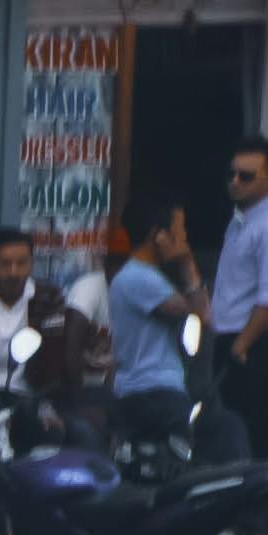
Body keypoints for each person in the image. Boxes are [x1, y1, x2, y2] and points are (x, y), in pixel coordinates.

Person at [0, 223, 92, 423]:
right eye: (5, 264)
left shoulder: (48, 297)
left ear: (32, 263)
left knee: (72, 435)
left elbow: (52, 356)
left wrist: (38, 404)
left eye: (21, 263)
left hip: (34, 395)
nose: (13, 272)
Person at [212, 137, 268, 458]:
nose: (235, 182)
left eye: (245, 176)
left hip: (253, 344)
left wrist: (241, 345)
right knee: (232, 430)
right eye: (232, 174)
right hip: (231, 340)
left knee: (255, 430)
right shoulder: (239, 224)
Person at [107, 195, 207, 457]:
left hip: (145, 391)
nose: (184, 239)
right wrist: (187, 263)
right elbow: (201, 314)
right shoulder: (139, 278)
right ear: (159, 235)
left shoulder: (144, 278)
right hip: (154, 393)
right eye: (179, 232)